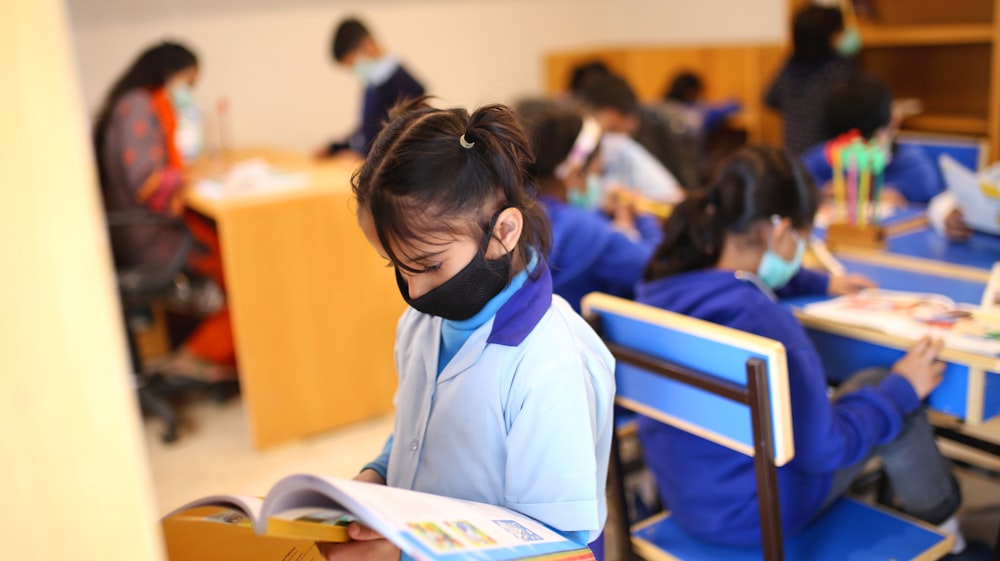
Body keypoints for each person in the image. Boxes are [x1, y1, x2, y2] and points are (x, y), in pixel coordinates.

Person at [632, 145, 984, 559]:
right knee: (884, 389)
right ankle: (952, 536)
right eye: (803, 237)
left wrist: (815, 282)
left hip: (688, 500)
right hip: (763, 514)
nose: (803, 248)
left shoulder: (659, 291)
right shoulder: (766, 323)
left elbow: (746, 277)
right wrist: (904, 387)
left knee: (847, 403)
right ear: (779, 233)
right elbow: (827, 449)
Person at [318, 98, 616, 561]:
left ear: (504, 232)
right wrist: (375, 478)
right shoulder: (422, 325)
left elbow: (560, 552)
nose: (415, 292)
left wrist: (405, 555)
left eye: (429, 266)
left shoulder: (552, 363)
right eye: (396, 266)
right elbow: (416, 435)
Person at [94, 41, 237, 382]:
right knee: (239, 266)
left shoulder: (135, 104)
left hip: (136, 232)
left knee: (224, 247)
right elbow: (148, 181)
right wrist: (195, 175)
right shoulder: (138, 107)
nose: (187, 93)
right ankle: (195, 356)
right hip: (150, 236)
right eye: (187, 83)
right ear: (168, 73)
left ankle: (208, 352)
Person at [518, 103, 661, 312]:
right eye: (597, 173)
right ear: (574, 173)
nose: (598, 182)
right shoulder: (587, 230)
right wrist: (643, 217)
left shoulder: (521, 209)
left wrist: (600, 214)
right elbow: (655, 268)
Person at [800, 74, 944, 204]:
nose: (859, 150)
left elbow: (928, 207)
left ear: (894, 122)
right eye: (846, 143)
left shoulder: (912, 165)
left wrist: (854, 194)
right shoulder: (822, 159)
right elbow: (798, 188)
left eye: (868, 140)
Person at [320, 17, 425, 158]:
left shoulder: (405, 86)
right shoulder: (373, 82)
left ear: (366, 45)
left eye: (352, 64)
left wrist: (361, 157)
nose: (353, 71)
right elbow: (366, 132)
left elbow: (401, 143)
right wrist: (334, 149)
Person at [572, 71, 689, 198]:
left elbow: (675, 197)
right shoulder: (569, 153)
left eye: (622, 135)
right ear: (581, 113)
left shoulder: (625, 152)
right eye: (610, 131)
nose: (613, 141)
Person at [765, 4, 858, 155]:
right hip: (826, 161)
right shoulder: (838, 71)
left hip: (795, 160)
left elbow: (769, 98)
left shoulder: (791, 66)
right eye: (840, 31)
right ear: (828, 36)